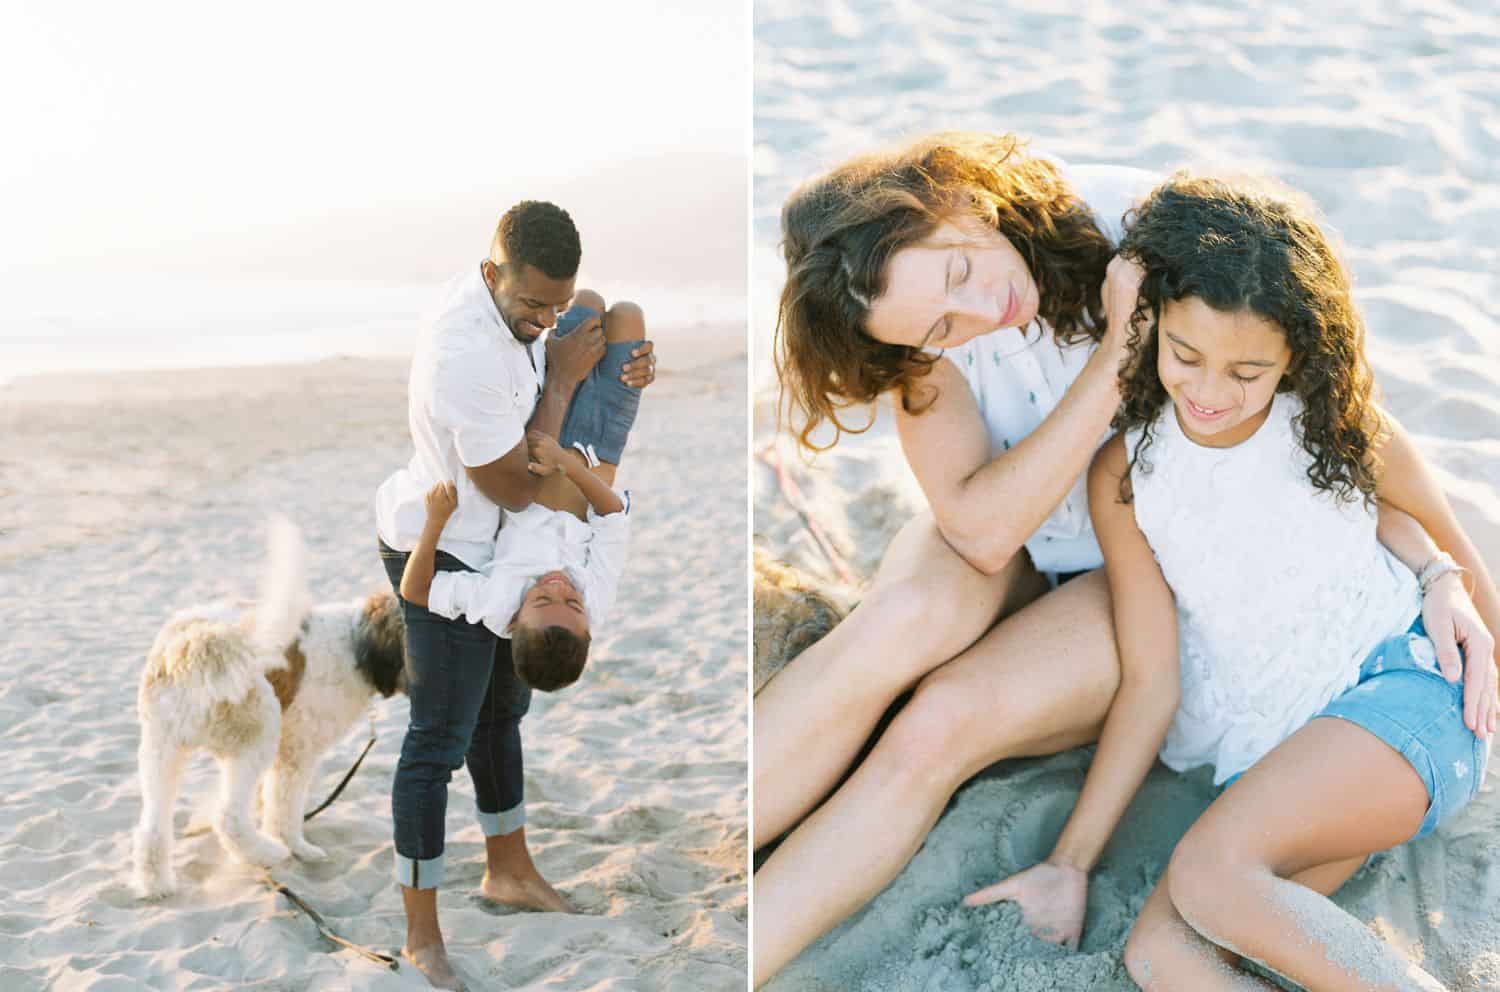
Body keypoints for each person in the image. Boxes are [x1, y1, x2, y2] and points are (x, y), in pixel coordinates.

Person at [752, 134, 1496, 986]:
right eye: (938, 329)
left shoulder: (1147, 236)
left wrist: (1448, 577)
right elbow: (981, 530)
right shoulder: (917, 331)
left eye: (959, 275)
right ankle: (737, 894)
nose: (978, 314)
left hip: (1150, 557)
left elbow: (1346, 439)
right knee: (905, 621)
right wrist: (1115, 356)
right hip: (1020, 520)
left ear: (955, 196)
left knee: (938, 723)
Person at [984, 172, 1498, 990]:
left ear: (1297, 351)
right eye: (1186, 356)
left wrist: (1446, 583)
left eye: (1248, 372)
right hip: (1293, 763)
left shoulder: (1339, 425)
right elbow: (1152, 683)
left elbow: (1456, 553)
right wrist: (1070, 863)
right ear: (1149, 325)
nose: (1211, 392)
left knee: (1209, 874)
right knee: (1161, 954)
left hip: (1407, 695)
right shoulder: (1126, 473)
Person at [374, 201, 655, 990]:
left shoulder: (527, 310)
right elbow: (516, 487)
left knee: (503, 713)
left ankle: (509, 870)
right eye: (533, 305)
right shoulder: (462, 354)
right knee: (437, 741)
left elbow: (581, 339)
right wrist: (565, 379)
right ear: (491, 275)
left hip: (498, 540)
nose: (546, 318)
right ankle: (422, 937)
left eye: (556, 303)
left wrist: (615, 364)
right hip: (455, 545)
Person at [398, 299, 643, 693]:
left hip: (549, 432)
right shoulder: (597, 602)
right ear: (588, 628)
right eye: (573, 604)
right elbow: (613, 514)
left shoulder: (495, 602)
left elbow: (415, 590)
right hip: (602, 445)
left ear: (514, 622)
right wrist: (570, 466)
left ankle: (545, 343)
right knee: (628, 316)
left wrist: (435, 522)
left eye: (543, 601)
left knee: (589, 306)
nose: (560, 589)